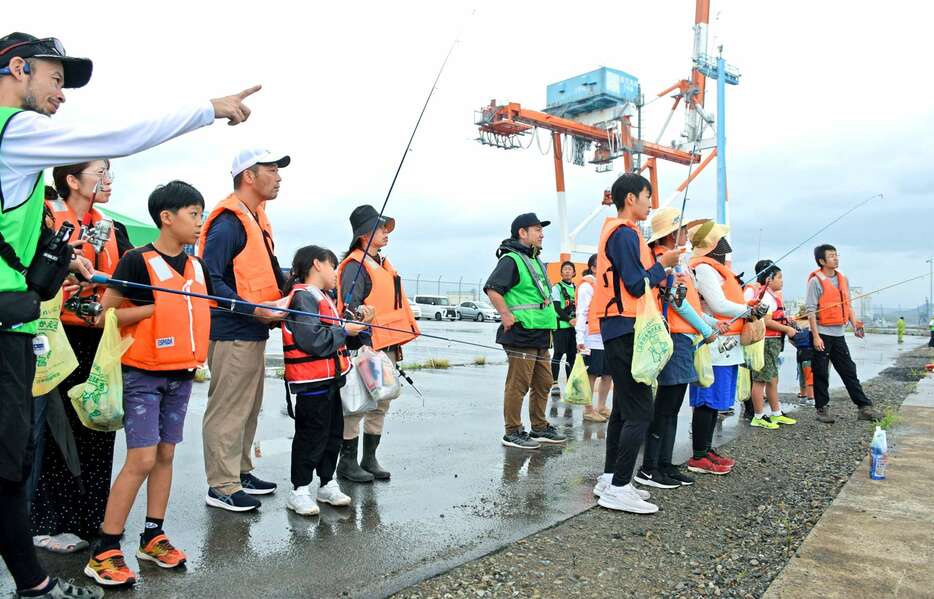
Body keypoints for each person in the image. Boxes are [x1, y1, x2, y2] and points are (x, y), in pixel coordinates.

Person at [0, 30, 258, 599]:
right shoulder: (14, 130)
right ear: (17, 68)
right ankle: (72, 559)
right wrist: (206, 110)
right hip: (19, 331)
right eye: (56, 79)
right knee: (18, 462)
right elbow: (116, 132)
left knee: (23, 461)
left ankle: (41, 574)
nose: (60, 96)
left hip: (25, 325)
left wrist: (66, 265)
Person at [83, 181, 211, 586]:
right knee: (140, 459)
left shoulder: (197, 266)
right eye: (193, 214)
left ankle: (152, 536)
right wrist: (150, 309)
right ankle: (104, 549)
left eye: (201, 214)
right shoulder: (137, 262)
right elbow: (100, 317)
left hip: (181, 374)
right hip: (142, 375)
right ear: (167, 218)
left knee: (165, 456)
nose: (199, 222)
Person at [30, 160, 133, 552]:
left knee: (99, 421)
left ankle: (92, 516)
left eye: (110, 173)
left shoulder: (113, 228)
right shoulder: (45, 220)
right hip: (54, 336)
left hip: (98, 336)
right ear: (72, 180)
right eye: (99, 174)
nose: (107, 181)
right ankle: (47, 522)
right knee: (56, 432)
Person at [199, 148, 290, 511]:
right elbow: (211, 280)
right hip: (231, 330)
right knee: (228, 409)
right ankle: (221, 485)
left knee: (249, 408)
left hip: (253, 330)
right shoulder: (228, 223)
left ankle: (239, 470)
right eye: (272, 169)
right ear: (248, 176)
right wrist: (253, 308)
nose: (279, 177)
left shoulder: (256, 219)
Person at [588, 174, 680, 514]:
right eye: (647, 195)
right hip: (625, 326)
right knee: (641, 409)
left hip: (618, 326)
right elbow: (636, 285)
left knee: (625, 409)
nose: (650, 202)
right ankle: (620, 486)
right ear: (630, 198)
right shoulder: (625, 234)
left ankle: (611, 477)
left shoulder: (620, 232)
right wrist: (663, 266)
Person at [282, 246, 373, 515]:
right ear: (317, 265)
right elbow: (312, 340)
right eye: (333, 266)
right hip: (311, 384)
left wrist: (357, 325)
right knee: (310, 436)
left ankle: (327, 483)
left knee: (333, 434)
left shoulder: (323, 297)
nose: (336, 273)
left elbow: (338, 336)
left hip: (332, 381)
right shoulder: (302, 298)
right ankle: (299, 490)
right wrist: (344, 330)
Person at [633, 208, 720, 490]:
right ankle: (650, 468)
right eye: (682, 229)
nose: (686, 234)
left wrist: (710, 322)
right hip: (674, 338)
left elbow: (689, 303)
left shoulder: (677, 262)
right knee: (666, 407)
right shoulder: (663, 260)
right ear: (671, 233)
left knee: (671, 407)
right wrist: (706, 329)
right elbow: (676, 301)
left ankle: (664, 464)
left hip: (684, 338)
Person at [336, 205, 419, 481]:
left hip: (388, 347)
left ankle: (369, 459)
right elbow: (350, 309)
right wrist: (363, 337)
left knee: (381, 403)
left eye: (385, 228)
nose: (386, 233)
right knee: (358, 405)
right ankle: (347, 463)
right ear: (363, 235)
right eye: (380, 228)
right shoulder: (355, 267)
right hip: (365, 347)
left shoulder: (382, 263)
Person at [485, 213, 567, 450]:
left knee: (544, 382)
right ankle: (512, 431)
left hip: (540, 332)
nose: (542, 234)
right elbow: (493, 289)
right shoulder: (511, 260)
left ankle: (539, 427)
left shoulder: (534, 260)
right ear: (522, 232)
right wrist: (505, 314)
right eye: (537, 229)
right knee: (517, 385)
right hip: (521, 332)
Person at [685, 221, 749, 476]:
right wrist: (748, 310)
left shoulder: (716, 270)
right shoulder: (703, 268)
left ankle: (707, 449)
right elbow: (718, 304)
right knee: (707, 400)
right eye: (720, 241)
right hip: (714, 344)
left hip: (726, 345)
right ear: (711, 246)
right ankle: (699, 454)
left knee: (716, 402)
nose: (725, 247)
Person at [807, 244, 880, 423]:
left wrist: (855, 324)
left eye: (836, 255)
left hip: (839, 334)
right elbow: (810, 311)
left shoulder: (843, 279)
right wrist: (816, 336)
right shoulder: (815, 281)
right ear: (822, 261)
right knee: (821, 372)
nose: (836, 258)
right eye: (831, 256)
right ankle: (822, 409)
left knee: (848, 370)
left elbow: (847, 305)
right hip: (822, 334)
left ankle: (864, 407)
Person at [744, 260, 798, 430]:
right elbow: (766, 321)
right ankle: (758, 415)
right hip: (766, 342)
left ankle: (776, 413)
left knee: (773, 378)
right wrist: (787, 329)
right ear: (769, 278)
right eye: (779, 277)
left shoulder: (772, 295)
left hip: (774, 342)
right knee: (760, 379)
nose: (782, 281)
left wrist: (786, 321)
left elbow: (774, 317)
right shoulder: (765, 295)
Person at [574, 253, 611, 422]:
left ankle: (601, 406)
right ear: (593, 268)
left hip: (607, 335)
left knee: (608, 374)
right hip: (592, 336)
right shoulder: (586, 286)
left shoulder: (606, 284)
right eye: (601, 265)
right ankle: (588, 409)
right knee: (592, 374)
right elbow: (581, 312)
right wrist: (579, 338)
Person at [549, 261, 577, 395]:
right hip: (561, 327)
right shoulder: (557, 288)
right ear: (561, 272)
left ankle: (570, 383)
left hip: (574, 328)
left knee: (572, 356)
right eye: (565, 269)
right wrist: (569, 319)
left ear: (573, 272)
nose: (567, 271)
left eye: (569, 269)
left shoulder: (577, 288)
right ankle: (554, 383)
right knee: (558, 354)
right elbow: (556, 307)